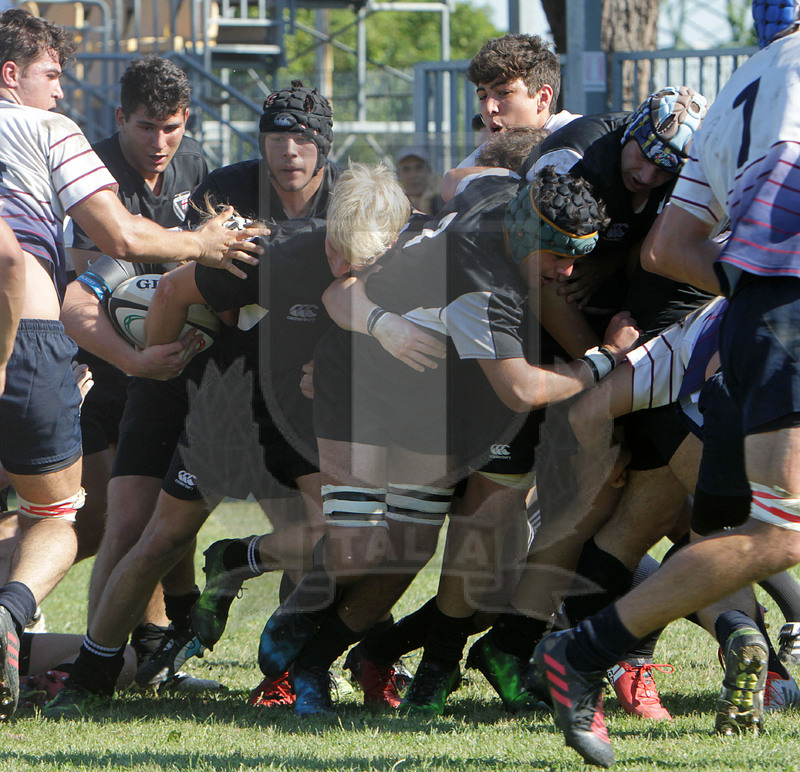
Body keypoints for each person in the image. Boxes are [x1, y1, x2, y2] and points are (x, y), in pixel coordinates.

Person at [41, 163, 424, 716]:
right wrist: (157, 370)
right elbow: (172, 290)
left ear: (391, 242)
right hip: (232, 405)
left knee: (351, 540)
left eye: (358, 260)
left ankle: (248, 583)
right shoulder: (274, 253)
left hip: (310, 420)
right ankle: (90, 675)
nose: (340, 265)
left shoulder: (418, 253)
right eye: (336, 248)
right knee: (161, 538)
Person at [254, 166, 638, 717]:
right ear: (528, 236)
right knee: (358, 546)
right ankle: (299, 613)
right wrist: (603, 361)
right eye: (558, 255)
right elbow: (522, 389)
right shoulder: (484, 288)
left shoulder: (502, 195)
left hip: (429, 404)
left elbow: (467, 174)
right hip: (358, 388)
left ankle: (314, 661)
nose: (569, 271)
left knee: (410, 548)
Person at [532, 7, 800, 768]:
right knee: (776, 531)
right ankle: (584, 651)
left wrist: (750, 280)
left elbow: (668, 246)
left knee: (721, 529)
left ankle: (730, 644)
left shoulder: (738, 88)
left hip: (731, 324)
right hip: (765, 317)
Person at [0, 7, 260, 720]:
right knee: (78, 516)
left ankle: (150, 648)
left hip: (159, 369)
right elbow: (98, 261)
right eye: (51, 75)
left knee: (150, 514)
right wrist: (195, 256)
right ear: (11, 74)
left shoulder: (203, 170)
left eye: (172, 127)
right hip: (77, 358)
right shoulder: (62, 139)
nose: (59, 92)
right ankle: (38, 627)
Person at [441, 33, 578, 200]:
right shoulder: (498, 144)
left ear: (543, 98)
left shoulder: (577, 137)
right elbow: (451, 182)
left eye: (504, 93)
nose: (490, 108)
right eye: (483, 96)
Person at [395, 147, 443, 215]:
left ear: (430, 171)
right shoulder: (394, 207)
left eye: (419, 168)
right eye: (406, 169)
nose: (413, 175)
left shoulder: (441, 203)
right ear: (398, 175)